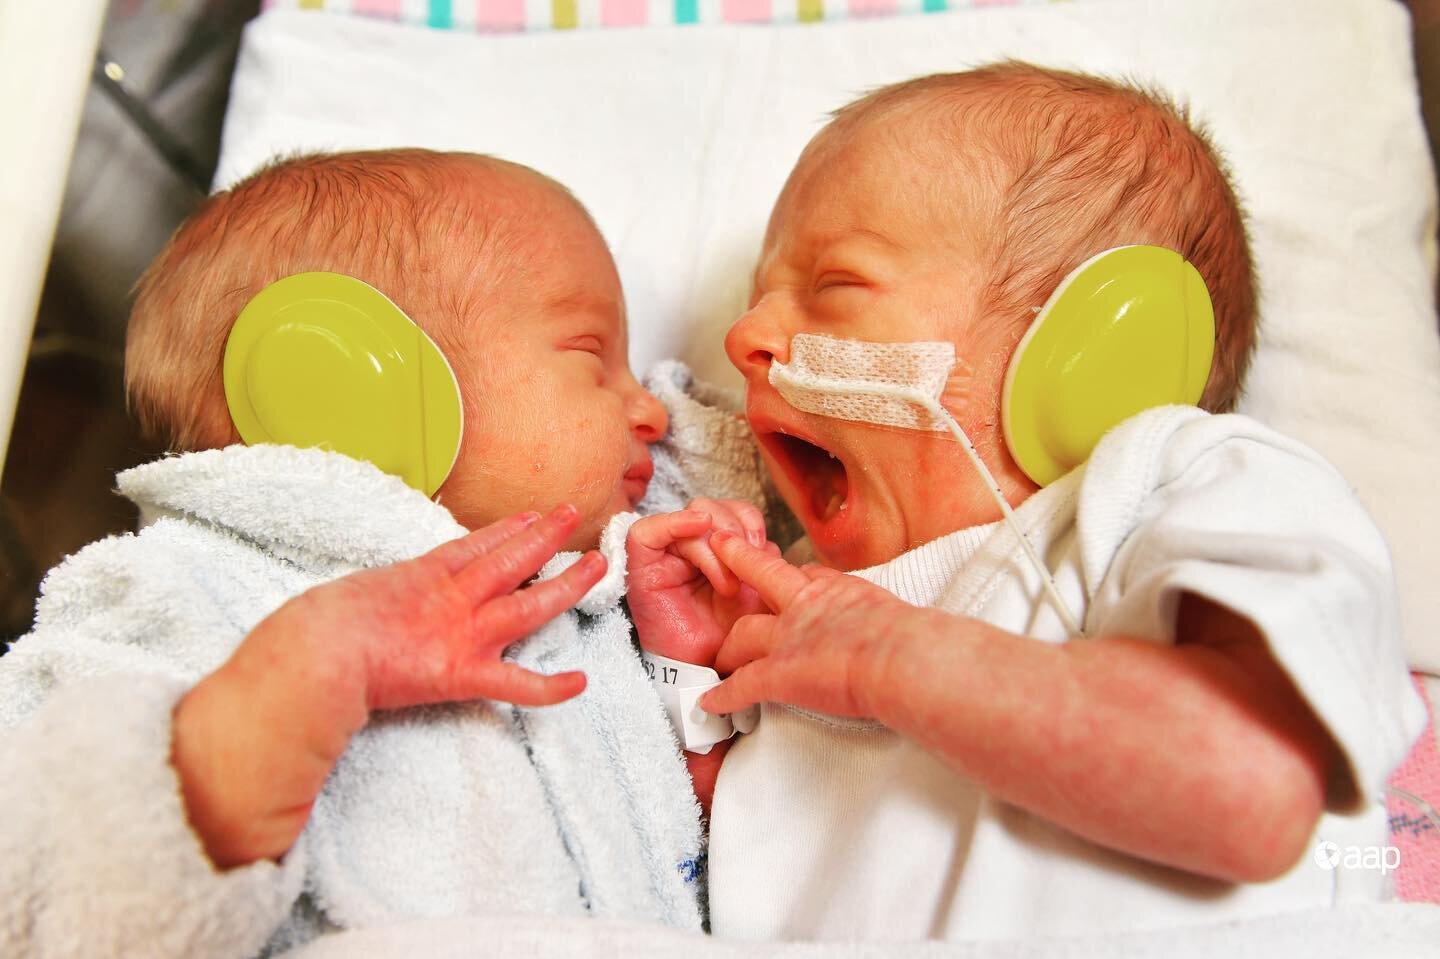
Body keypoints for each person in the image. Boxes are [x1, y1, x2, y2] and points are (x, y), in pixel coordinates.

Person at [625, 64, 1427, 941]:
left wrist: (892, 658)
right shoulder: (814, 606)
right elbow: (723, 885)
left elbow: (1256, 788)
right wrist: (699, 693)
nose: (746, 338)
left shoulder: (1174, 491)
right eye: (756, 302)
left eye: (836, 288)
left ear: (1088, 355)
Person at [0, 149, 714, 956]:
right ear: (359, 382)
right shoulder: (184, 587)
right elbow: (31, 879)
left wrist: (686, 676)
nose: (650, 408)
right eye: (592, 355)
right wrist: (299, 682)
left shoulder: (601, 590)